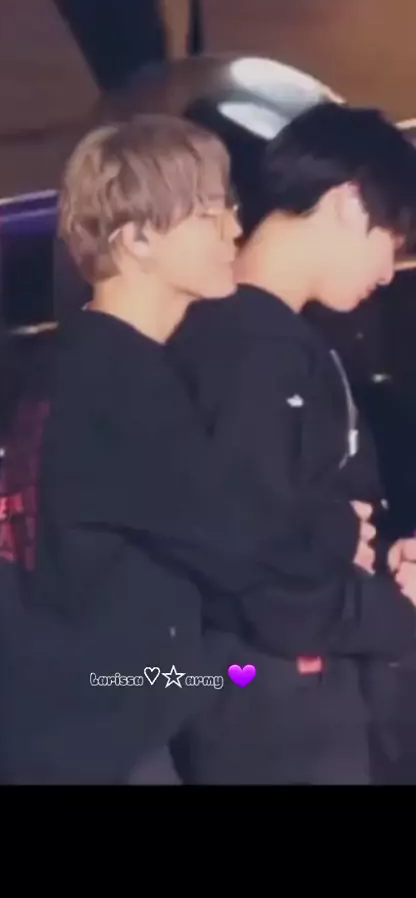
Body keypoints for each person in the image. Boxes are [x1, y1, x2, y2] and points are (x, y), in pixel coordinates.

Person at [0, 112, 416, 786]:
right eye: (210, 214)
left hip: (97, 715)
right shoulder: (117, 382)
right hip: (99, 735)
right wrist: (339, 535)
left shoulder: (86, 364)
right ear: (138, 239)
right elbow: (234, 537)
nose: (234, 230)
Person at [169, 102, 416, 784]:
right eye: (393, 238)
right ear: (349, 203)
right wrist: (398, 612)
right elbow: (262, 572)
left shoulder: (269, 342)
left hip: (283, 697)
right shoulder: (251, 350)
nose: (389, 270)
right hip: (273, 709)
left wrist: (381, 558)